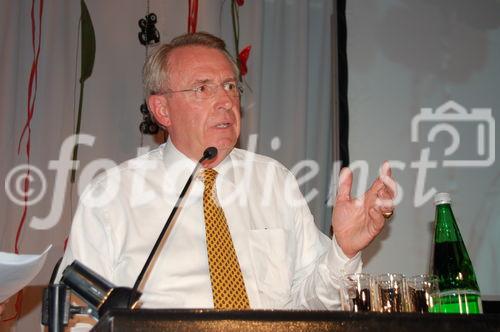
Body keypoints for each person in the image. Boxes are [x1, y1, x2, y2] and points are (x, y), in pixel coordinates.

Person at [57, 32, 395, 310]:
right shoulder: (112, 194)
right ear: (162, 109)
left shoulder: (274, 181)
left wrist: (344, 251)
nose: (225, 101)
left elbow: (312, 303)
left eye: (230, 86)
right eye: (203, 88)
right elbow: (76, 312)